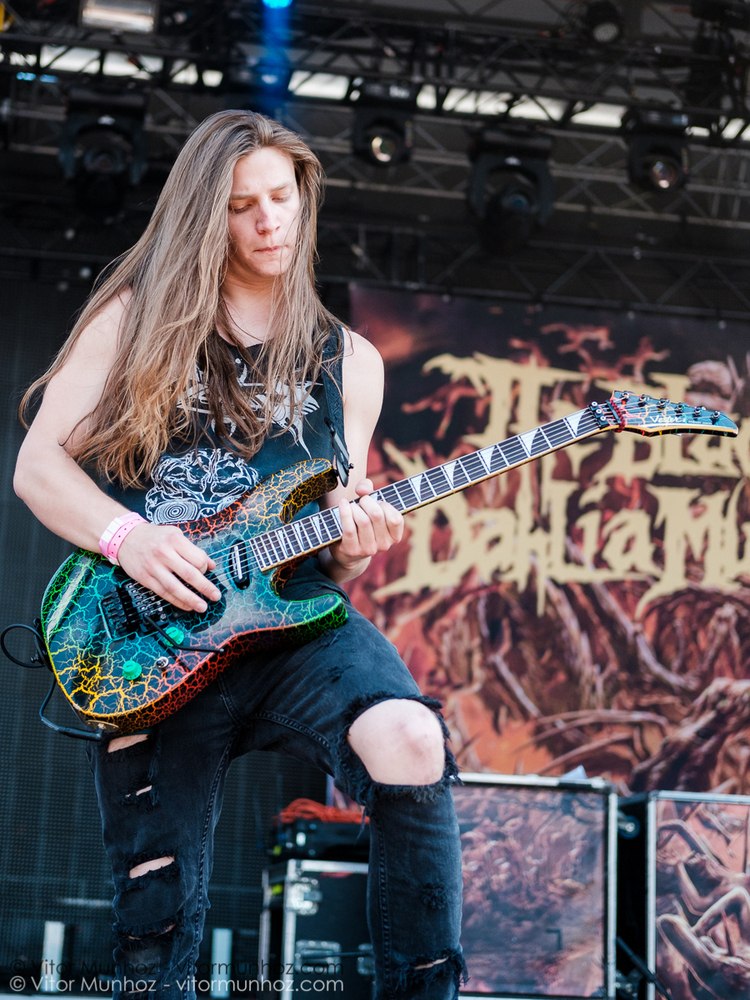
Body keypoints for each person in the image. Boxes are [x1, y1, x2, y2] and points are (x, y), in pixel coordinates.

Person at [14, 110, 466, 1000]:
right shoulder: (138, 320)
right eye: (241, 206)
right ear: (203, 217)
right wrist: (129, 536)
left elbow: (334, 541)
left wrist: (358, 548)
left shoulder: (353, 361)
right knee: (157, 946)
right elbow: (37, 467)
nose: (270, 221)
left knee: (411, 737)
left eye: (282, 197)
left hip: (290, 627)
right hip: (153, 640)